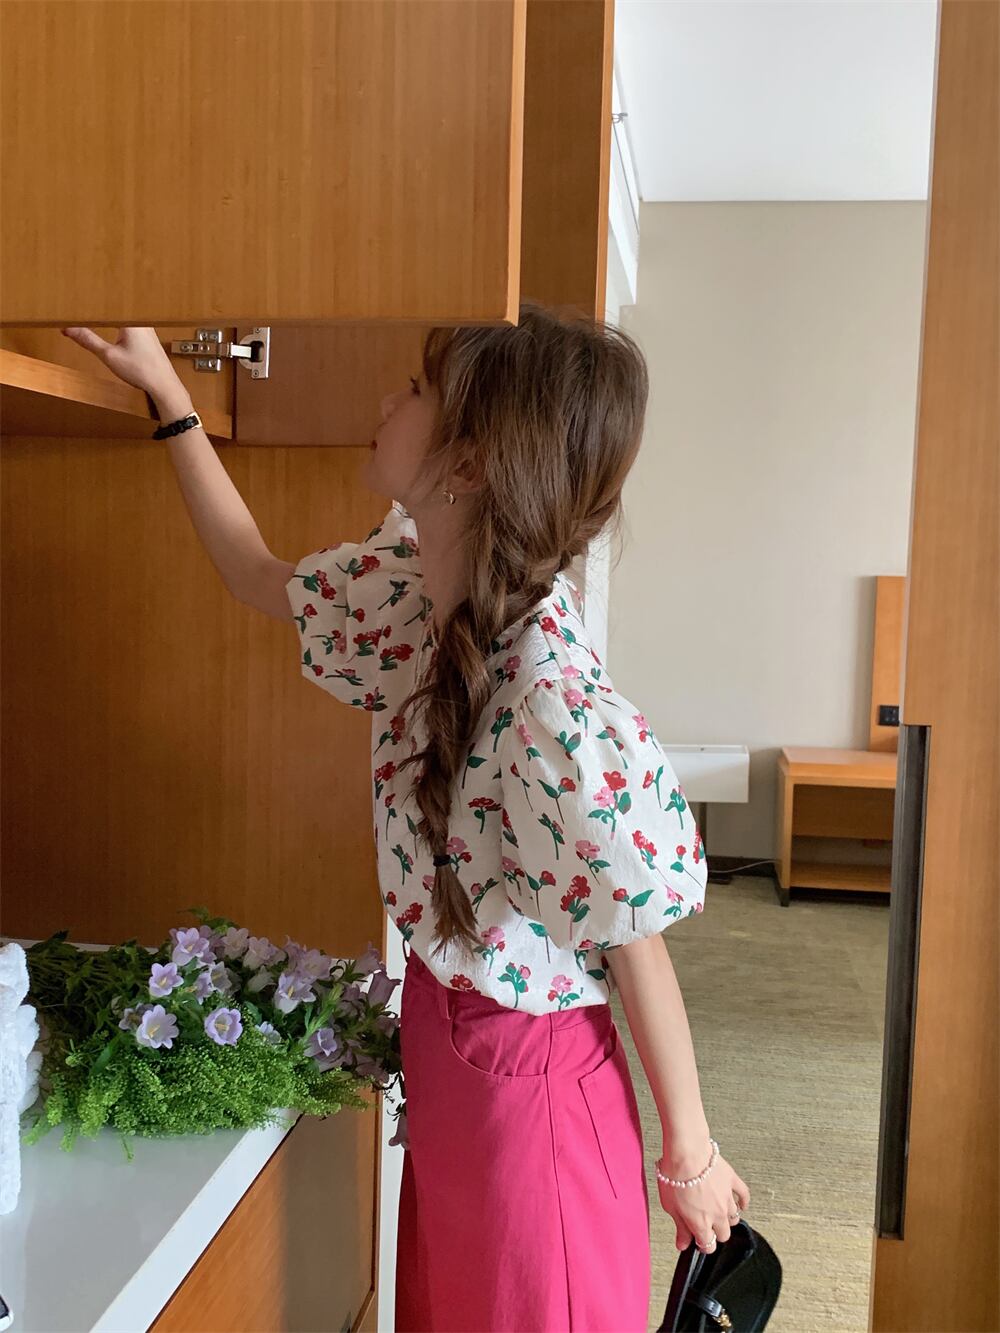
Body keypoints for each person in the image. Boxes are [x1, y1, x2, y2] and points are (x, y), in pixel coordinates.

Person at [62, 306, 750, 1333]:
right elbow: (255, 572)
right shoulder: (416, 596)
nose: (390, 400)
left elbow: (635, 943)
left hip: (532, 1097)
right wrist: (170, 396)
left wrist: (688, 1155)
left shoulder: (547, 698)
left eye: (418, 391)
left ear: (469, 464)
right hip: (455, 1057)